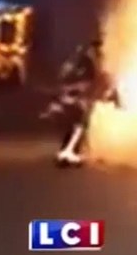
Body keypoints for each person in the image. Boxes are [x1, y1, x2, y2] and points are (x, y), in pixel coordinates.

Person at [42, 38, 119, 167]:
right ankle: (69, 153)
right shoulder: (86, 61)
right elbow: (88, 78)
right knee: (77, 125)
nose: (99, 52)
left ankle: (72, 152)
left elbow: (96, 79)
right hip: (79, 97)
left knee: (79, 125)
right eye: (97, 49)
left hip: (82, 96)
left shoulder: (87, 60)